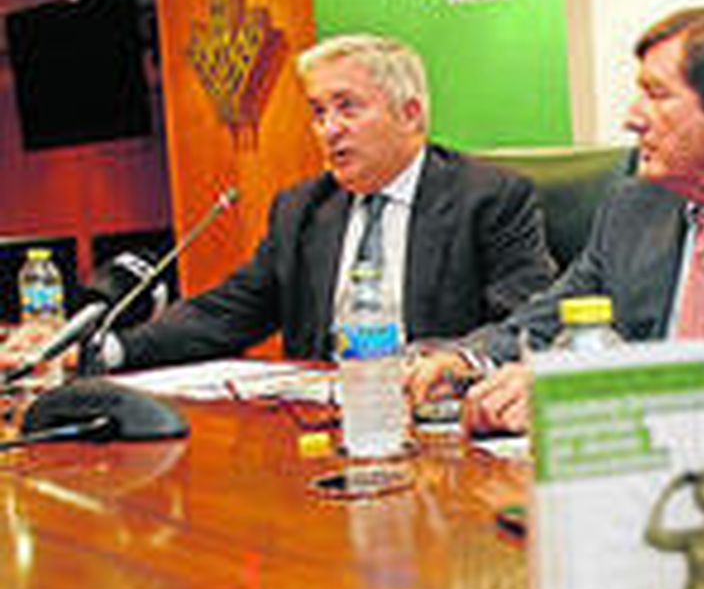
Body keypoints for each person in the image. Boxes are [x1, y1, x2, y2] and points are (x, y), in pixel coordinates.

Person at [408, 6, 704, 427]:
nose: (632, 118)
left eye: (657, 95)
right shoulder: (633, 206)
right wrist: (466, 359)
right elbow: (551, 317)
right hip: (635, 465)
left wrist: (606, 385)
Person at [104, 33, 556, 369]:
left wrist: (455, 362)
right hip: (322, 423)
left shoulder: (490, 198)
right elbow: (229, 311)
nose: (329, 129)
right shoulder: (303, 208)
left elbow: (525, 318)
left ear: (410, 114)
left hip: (434, 419)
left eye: (347, 108)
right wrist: (114, 348)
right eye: (319, 112)